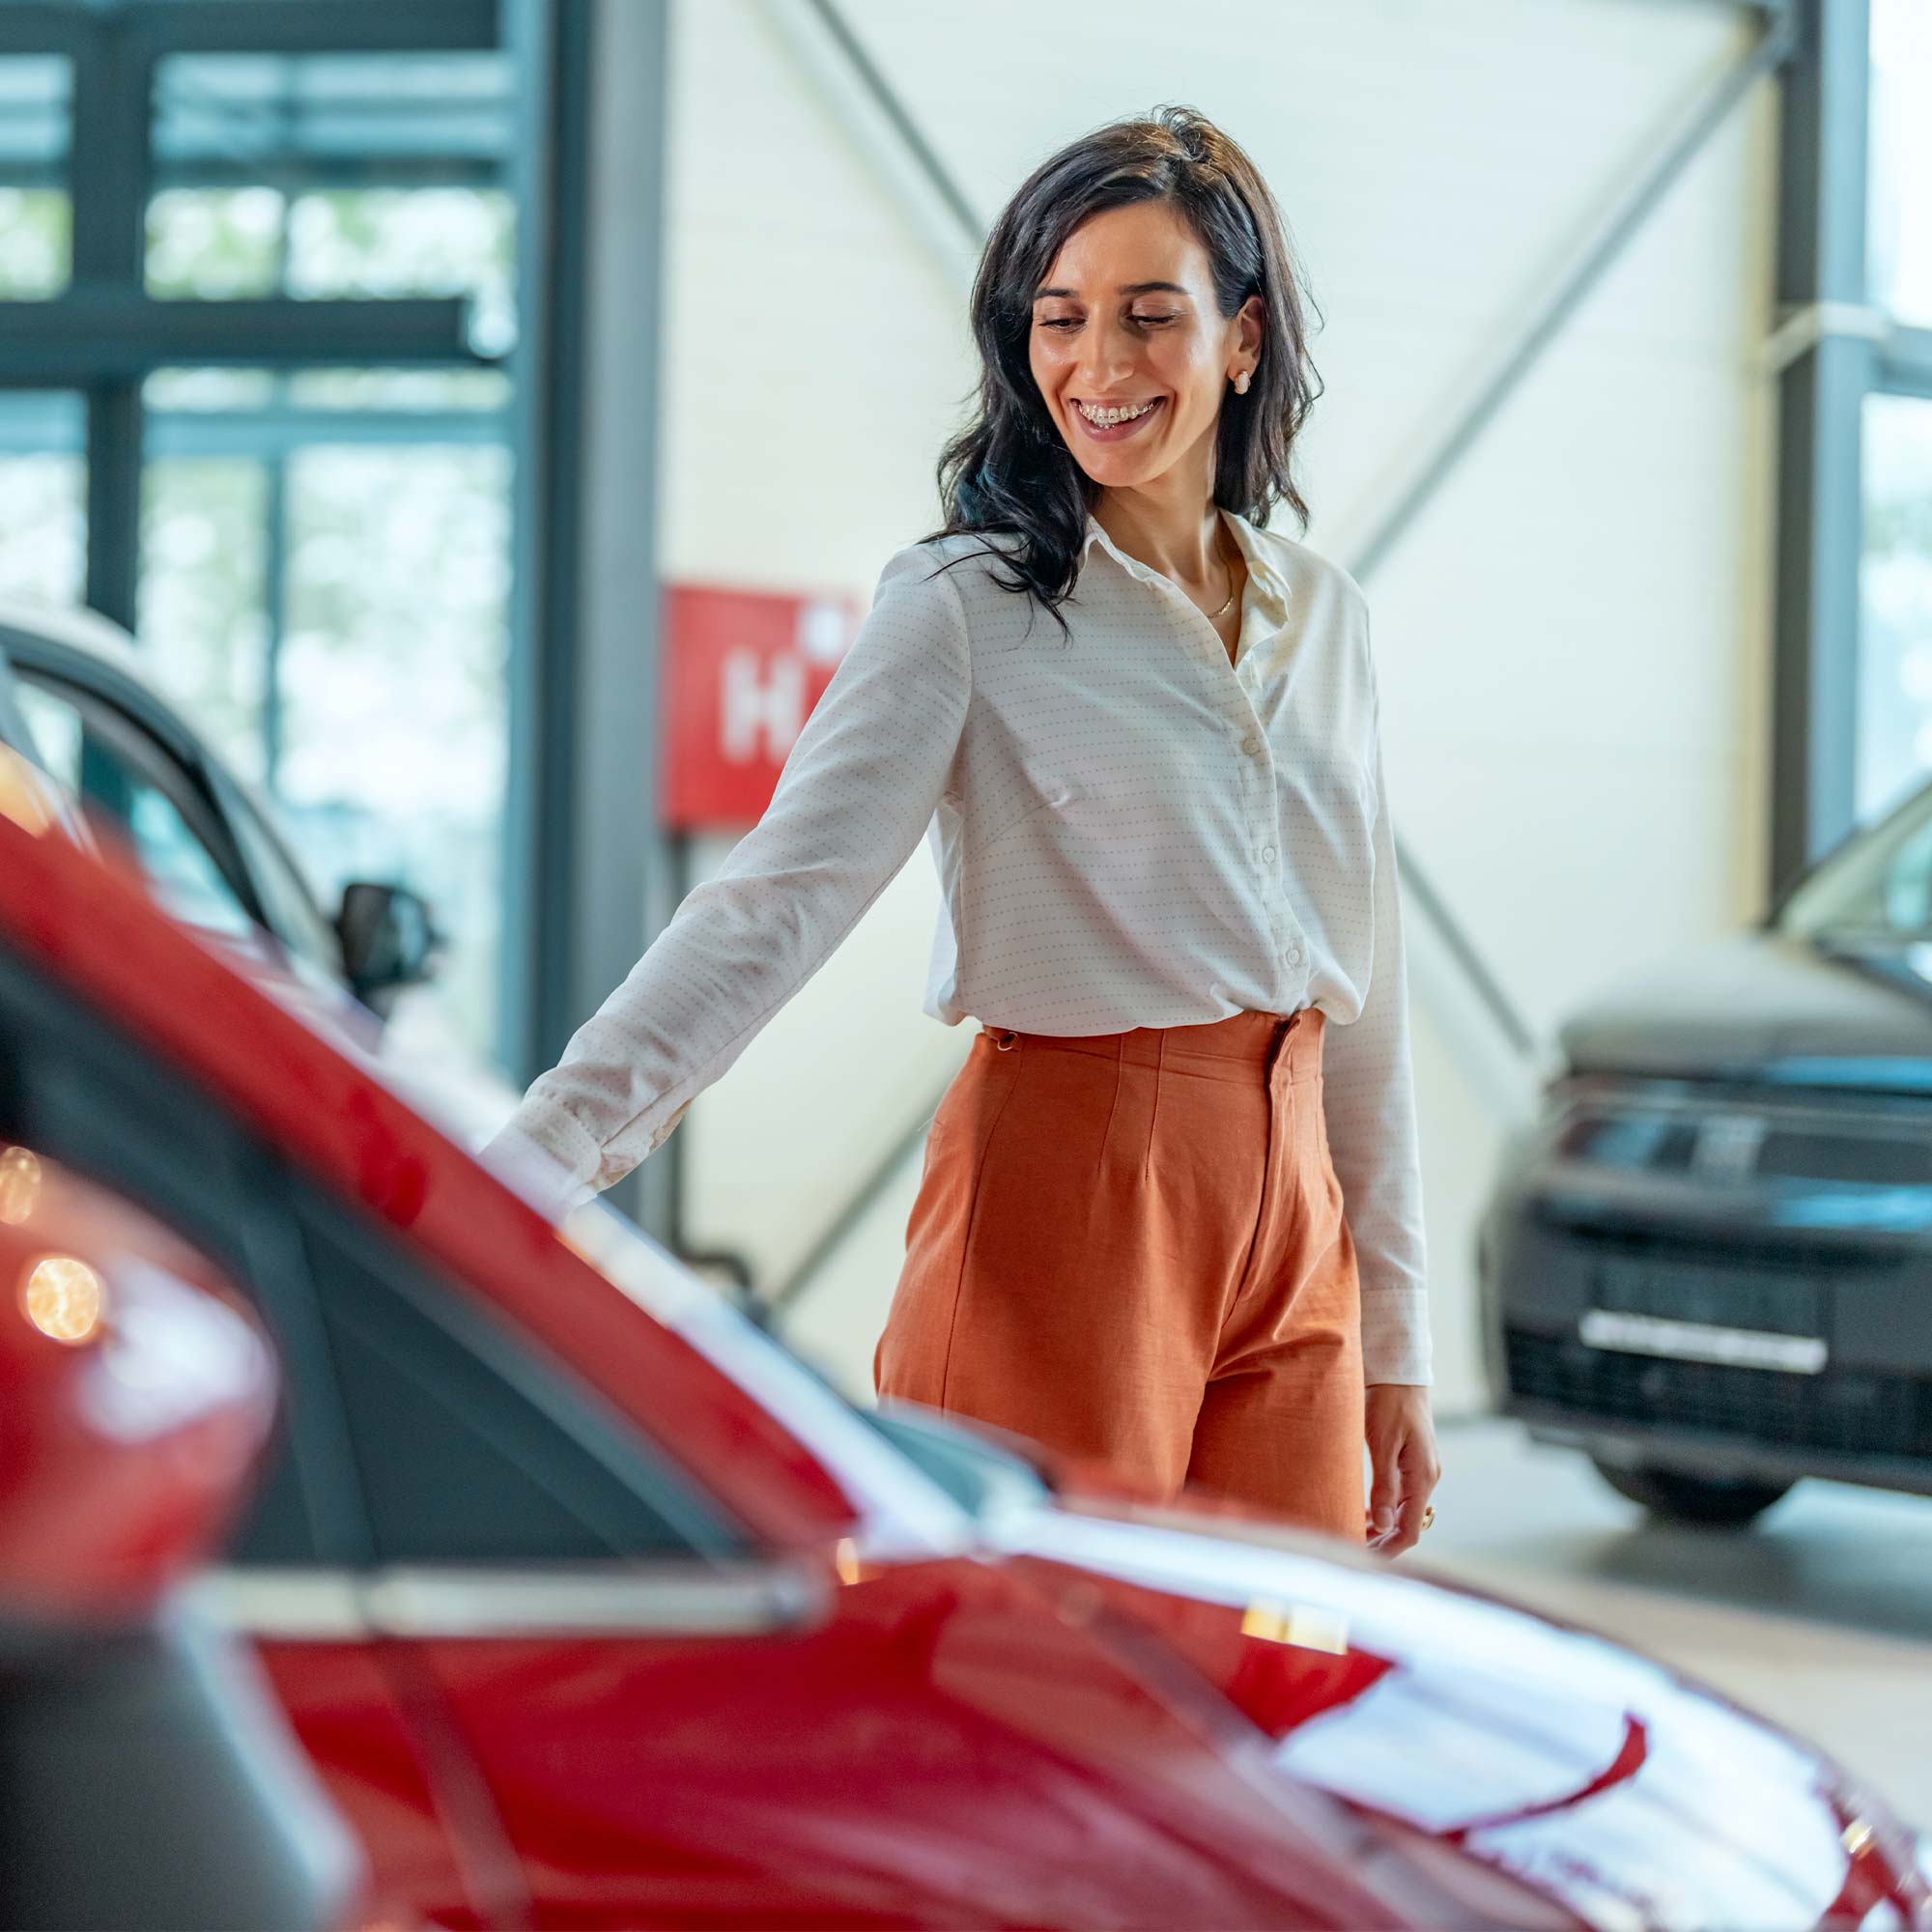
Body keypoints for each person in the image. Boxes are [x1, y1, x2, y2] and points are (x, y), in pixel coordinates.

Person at [483, 105, 1441, 1556]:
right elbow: (773, 907)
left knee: (1283, 1686)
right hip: (1075, 1188)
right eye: (1058, 319)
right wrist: (522, 1181)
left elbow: (1368, 991)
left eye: (1147, 317)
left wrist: (1396, 1334)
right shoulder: (968, 606)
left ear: (1243, 342)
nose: (1098, 368)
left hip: (1295, 1210)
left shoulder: (1331, 619)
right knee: (1049, 1682)